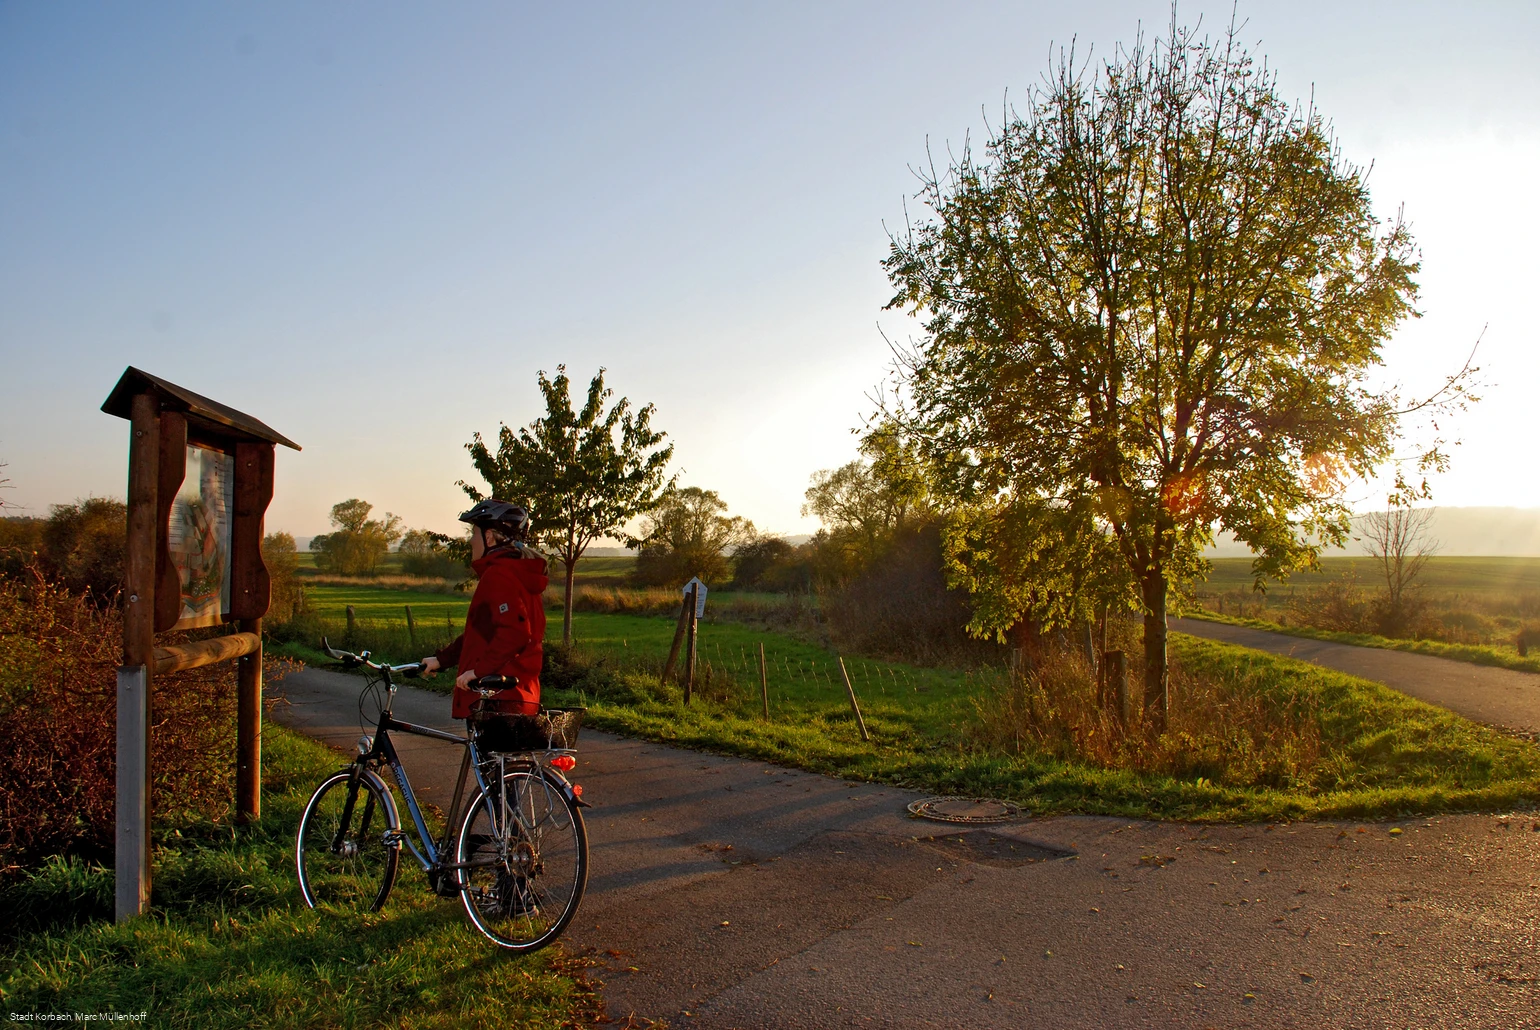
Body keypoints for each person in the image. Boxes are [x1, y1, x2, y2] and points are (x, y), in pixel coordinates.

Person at [421, 500, 549, 720]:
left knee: (486, 755)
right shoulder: (520, 574)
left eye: (474, 533)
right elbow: (481, 632)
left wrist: (480, 672)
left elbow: (515, 633)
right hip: (519, 694)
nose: (471, 540)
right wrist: (442, 660)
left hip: (496, 699)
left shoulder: (499, 575)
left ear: (489, 537)